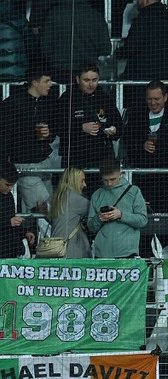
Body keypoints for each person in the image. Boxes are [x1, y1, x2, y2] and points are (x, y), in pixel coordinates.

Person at [0, 70, 61, 214]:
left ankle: (42, 235)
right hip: (24, 164)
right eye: (47, 80)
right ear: (35, 82)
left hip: (44, 162)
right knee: (43, 209)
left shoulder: (48, 103)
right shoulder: (12, 104)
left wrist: (49, 133)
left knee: (48, 206)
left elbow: (53, 132)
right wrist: (2, 166)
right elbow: (3, 136)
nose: (50, 84)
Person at [60, 65, 122, 171]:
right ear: (77, 79)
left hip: (102, 157)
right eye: (86, 80)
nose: (91, 84)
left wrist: (114, 130)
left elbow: (119, 125)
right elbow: (57, 126)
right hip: (75, 158)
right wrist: (81, 128)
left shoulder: (105, 98)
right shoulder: (67, 99)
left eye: (94, 80)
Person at [87, 159, 148, 259]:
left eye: (112, 179)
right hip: (102, 254)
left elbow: (143, 220)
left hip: (127, 254)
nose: (109, 183)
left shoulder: (134, 191)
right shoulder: (96, 195)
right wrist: (98, 219)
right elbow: (91, 227)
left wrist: (121, 215)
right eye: (105, 180)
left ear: (120, 174)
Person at [122, 81, 168, 211]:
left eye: (157, 99)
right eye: (149, 99)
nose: (153, 103)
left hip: (165, 175)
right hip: (143, 174)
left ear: (165, 97)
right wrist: (141, 145)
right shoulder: (136, 114)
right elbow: (127, 138)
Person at [119, 0, 168, 82]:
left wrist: (119, 53)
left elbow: (131, 47)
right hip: (164, 75)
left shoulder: (143, 19)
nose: (137, 1)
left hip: (141, 75)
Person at [46, 168, 91, 259]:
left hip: (56, 247)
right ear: (74, 180)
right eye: (82, 181)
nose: (84, 185)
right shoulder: (74, 198)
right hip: (70, 248)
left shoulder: (59, 196)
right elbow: (95, 211)